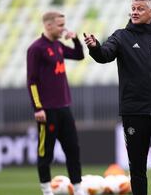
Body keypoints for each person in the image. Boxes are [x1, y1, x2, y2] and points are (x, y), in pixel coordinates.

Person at [84, 0, 151, 195]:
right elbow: (104, 55)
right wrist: (95, 47)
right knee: (137, 165)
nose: (134, 12)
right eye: (133, 8)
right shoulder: (121, 36)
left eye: (139, 8)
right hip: (134, 111)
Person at [27, 11, 85, 195]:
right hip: (47, 110)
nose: (63, 28)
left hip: (64, 107)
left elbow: (79, 55)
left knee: (73, 149)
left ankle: (77, 188)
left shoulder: (58, 46)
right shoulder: (36, 49)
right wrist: (38, 107)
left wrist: (75, 39)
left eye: (64, 24)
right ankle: (46, 189)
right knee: (46, 152)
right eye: (60, 25)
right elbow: (32, 81)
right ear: (48, 25)